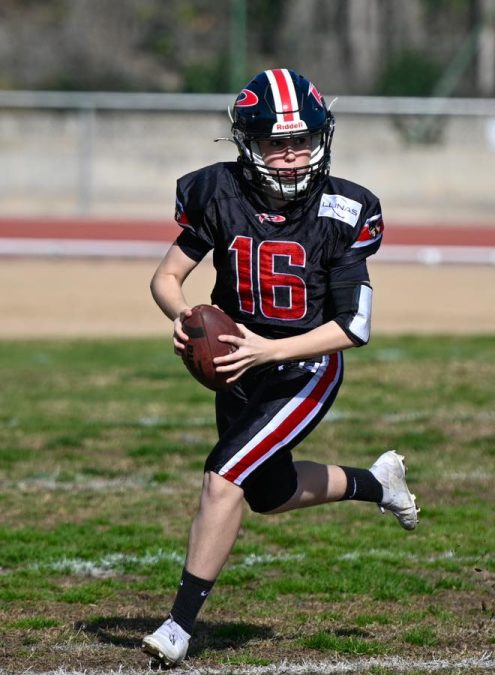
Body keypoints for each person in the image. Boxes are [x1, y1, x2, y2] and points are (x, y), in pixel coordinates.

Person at [142, 68, 419, 666]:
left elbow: (353, 326)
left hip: (305, 365)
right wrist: (185, 317)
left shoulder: (346, 208)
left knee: (223, 479)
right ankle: (376, 483)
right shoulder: (216, 192)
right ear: (248, 142)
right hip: (241, 366)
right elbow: (166, 278)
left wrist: (267, 349)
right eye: (276, 142)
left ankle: (177, 626)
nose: (292, 156)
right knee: (269, 492)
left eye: (302, 141)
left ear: (323, 138)